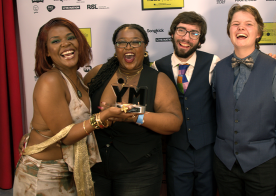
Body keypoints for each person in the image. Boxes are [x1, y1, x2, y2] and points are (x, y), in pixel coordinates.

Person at [13, 17, 130, 196]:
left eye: (70, 38)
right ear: (45, 52)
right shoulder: (50, 80)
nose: (65, 44)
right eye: (55, 41)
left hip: (69, 171)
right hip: (43, 175)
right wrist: (102, 118)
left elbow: (75, 123)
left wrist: (106, 116)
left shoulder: (78, 78)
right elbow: (66, 136)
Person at [84, 23, 183, 196]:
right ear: (116, 48)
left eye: (135, 42)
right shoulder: (98, 73)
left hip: (139, 170)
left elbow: (174, 122)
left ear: (145, 46)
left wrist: (136, 116)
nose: (128, 47)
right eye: (122, 42)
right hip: (94, 165)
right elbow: (74, 107)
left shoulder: (157, 79)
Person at [211, 4, 276, 196]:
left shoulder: (274, 68)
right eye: (236, 24)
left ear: (258, 33)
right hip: (224, 166)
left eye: (248, 24)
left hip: (263, 165)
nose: (241, 28)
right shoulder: (218, 69)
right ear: (229, 31)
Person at [152, 11, 219, 196]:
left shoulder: (213, 62)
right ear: (172, 33)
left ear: (200, 39)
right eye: (181, 30)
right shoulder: (157, 67)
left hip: (208, 150)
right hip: (176, 151)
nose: (186, 38)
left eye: (194, 33)